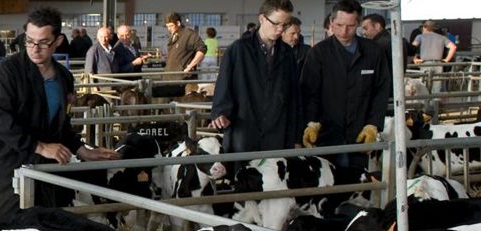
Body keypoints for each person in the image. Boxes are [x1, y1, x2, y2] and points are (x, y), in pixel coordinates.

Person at [0, 6, 118, 226]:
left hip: (47, 172)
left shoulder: (63, 77)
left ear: (58, 41)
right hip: (8, 171)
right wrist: (40, 146)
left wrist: (82, 150)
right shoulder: (6, 72)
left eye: (43, 42)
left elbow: (61, 126)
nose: (34, 49)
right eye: (29, 40)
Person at [299, 0, 390, 169]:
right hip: (326, 133)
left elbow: (381, 90)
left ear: (358, 25)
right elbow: (309, 92)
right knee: (328, 185)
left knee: (357, 184)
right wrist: (311, 123)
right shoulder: (318, 53)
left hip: (359, 134)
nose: (344, 31)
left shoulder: (373, 52)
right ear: (331, 23)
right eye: (339, 25)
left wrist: (373, 124)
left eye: (350, 26)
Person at [211, 0, 301, 161]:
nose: (280, 29)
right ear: (262, 19)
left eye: (285, 25)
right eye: (276, 23)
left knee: (275, 181)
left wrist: (295, 137)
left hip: (277, 132)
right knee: (245, 179)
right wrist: (220, 112)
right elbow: (224, 85)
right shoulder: (238, 50)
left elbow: (293, 96)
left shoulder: (287, 54)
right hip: (244, 129)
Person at [160, 13, 207, 96]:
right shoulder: (173, 35)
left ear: (178, 23)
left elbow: (202, 50)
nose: (169, 29)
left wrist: (190, 66)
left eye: (171, 26)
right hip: (169, 78)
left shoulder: (189, 34)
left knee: (182, 106)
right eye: (167, 26)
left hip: (183, 79)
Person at [412, 20, 456, 92]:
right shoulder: (442, 37)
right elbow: (453, 47)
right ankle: (435, 102)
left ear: (424, 27)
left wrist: (414, 58)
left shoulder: (420, 37)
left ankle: (425, 102)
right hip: (438, 64)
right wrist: (446, 60)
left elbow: (412, 47)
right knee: (436, 87)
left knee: (424, 87)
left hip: (425, 64)